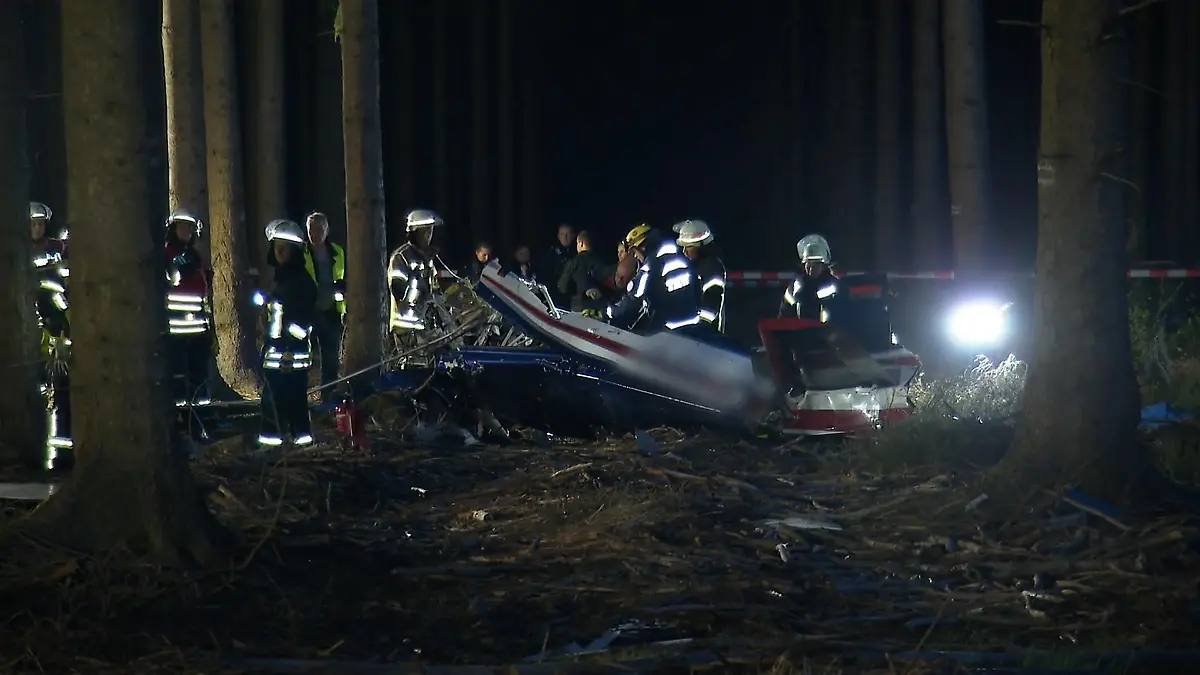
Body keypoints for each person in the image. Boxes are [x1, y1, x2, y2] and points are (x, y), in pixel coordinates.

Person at [253, 219, 318, 447]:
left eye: (285, 247)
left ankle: (277, 446)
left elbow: (302, 323)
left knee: (278, 402)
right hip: (279, 355)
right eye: (277, 246)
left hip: (288, 357)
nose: (280, 251)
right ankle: (296, 441)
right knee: (287, 402)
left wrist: (286, 343)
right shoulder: (283, 280)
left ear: (295, 251)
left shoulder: (301, 282)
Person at [163, 209, 213, 439]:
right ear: (173, 229)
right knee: (179, 379)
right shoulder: (170, 253)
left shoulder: (194, 254)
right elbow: (177, 273)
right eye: (182, 227)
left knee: (198, 377)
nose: (187, 231)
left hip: (198, 329)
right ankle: (179, 422)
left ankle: (199, 421)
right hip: (178, 330)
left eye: (190, 227)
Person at [31, 202, 72, 470]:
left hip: (57, 328)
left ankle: (63, 453)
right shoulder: (16, 251)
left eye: (40, 223)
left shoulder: (58, 248)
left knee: (62, 391)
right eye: (32, 224)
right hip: (33, 329)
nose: (37, 228)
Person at [605, 225, 703, 333]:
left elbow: (634, 300)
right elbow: (697, 289)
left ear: (642, 246)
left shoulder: (652, 265)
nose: (636, 257)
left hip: (668, 332)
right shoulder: (682, 259)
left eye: (635, 252)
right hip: (693, 328)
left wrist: (608, 311)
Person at [302, 212, 346, 399]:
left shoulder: (337, 251)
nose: (314, 233)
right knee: (306, 358)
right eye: (311, 228)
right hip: (309, 311)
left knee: (330, 359)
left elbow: (343, 275)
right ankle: (305, 395)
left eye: (319, 228)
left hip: (331, 311)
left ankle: (328, 398)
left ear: (326, 230)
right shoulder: (301, 251)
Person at [388, 208, 452, 331]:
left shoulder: (427, 259)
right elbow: (398, 290)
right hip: (405, 327)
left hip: (424, 326)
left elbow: (434, 290)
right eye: (426, 231)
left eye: (431, 231)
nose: (429, 236)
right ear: (415, 232)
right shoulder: (401, 257)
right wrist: (418, 277)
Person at [672, 219, 727, 334]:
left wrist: (700, 329)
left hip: (705, 341)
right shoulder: (693, 267)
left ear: (701, 246)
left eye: (689, 246)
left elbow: (711, 301)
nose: (684, 251)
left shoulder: (712, 267)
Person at [779, 233, 837, 322]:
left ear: (824, 266)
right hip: (800, 333)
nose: (811, 269)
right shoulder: (795, 285)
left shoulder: (834, 285)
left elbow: (842, 314)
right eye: (808, 265)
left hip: (826, 333)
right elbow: (784, 312)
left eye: (815, 265)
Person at [557, 230, 607, 314]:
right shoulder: (602, 261)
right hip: (599, 309)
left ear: (581, 243)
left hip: (578, 308)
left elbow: (562, 286)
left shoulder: (575, 261)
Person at [545, 223, 575, 301]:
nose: (565, 237)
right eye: (562, 234)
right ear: (558, 236)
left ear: (573, 236)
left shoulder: (578, 255)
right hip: (551, 294)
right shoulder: (550, 253)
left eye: (568, 234)